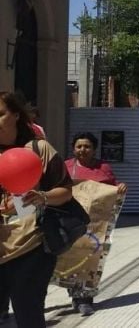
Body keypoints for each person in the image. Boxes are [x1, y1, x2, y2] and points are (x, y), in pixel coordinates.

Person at [0, 92, 73, 328]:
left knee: (28, 314)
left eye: (0, 114)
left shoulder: (39, 148)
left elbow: (65, 191)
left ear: (16, 115)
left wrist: (41, 197)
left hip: (32, 246)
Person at [62, 132, 127, 316]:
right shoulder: (66, 167)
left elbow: (114, 189)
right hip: (70, 221)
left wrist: (120, 188)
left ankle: (85, 299)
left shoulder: (103, 168)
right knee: (72, 258)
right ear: (73, 148)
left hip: (95, 225)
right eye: (79, 146)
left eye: (87, 146)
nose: (83, 150)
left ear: (94, 149)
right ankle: (75, 294)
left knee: (90, 260)